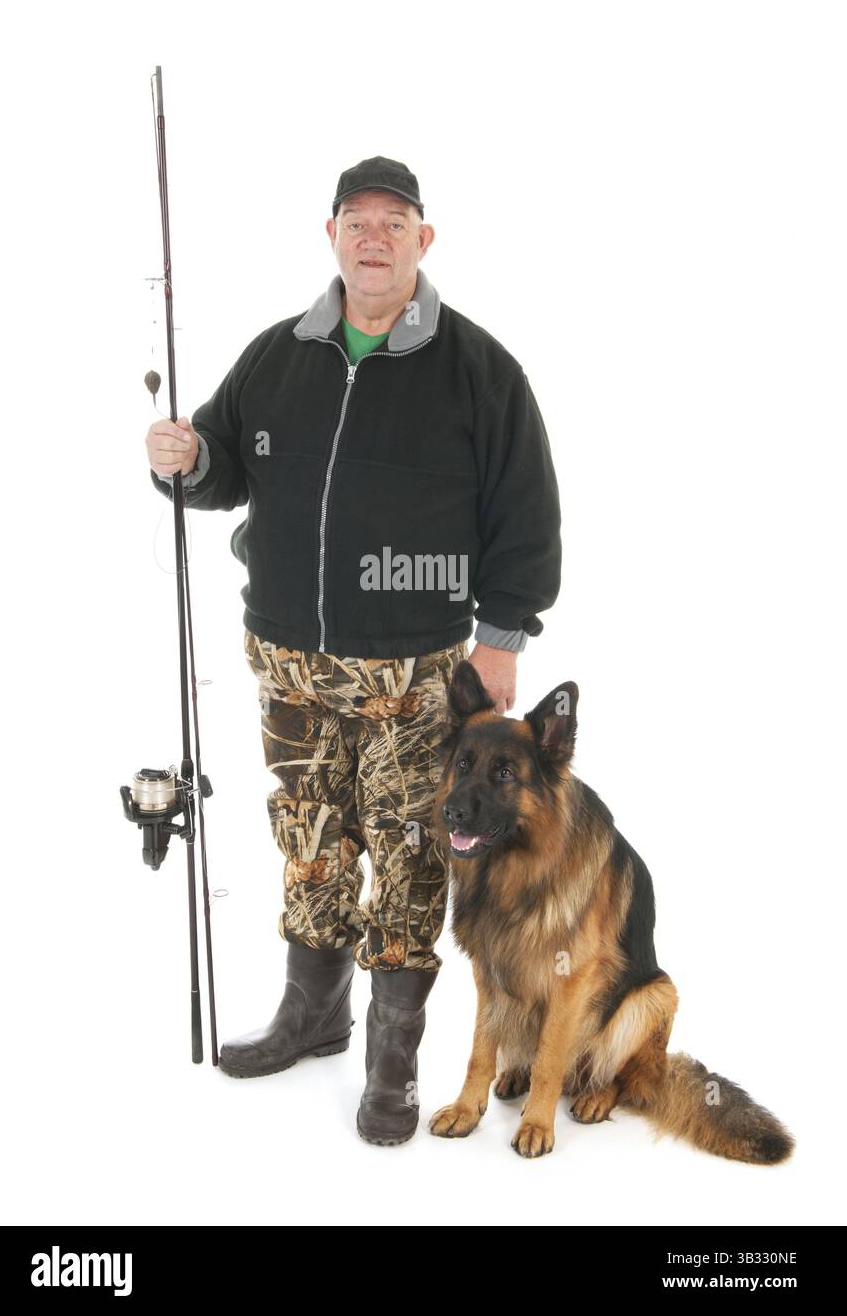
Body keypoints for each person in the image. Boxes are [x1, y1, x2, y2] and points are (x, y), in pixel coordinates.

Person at [146, 156, 561, 1145]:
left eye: (394, 221)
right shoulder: (276, 354)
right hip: (287, 663)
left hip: (414, 674)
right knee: (310, 842)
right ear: (329, 233)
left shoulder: (477, 368)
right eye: (356, 221)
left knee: (412, 853)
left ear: (424, 239)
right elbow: (220, 465)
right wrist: (187, 459)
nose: (372, 238)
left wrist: (500, 640)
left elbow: (524, 514)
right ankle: (314, 1013)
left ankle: (392, 1058)